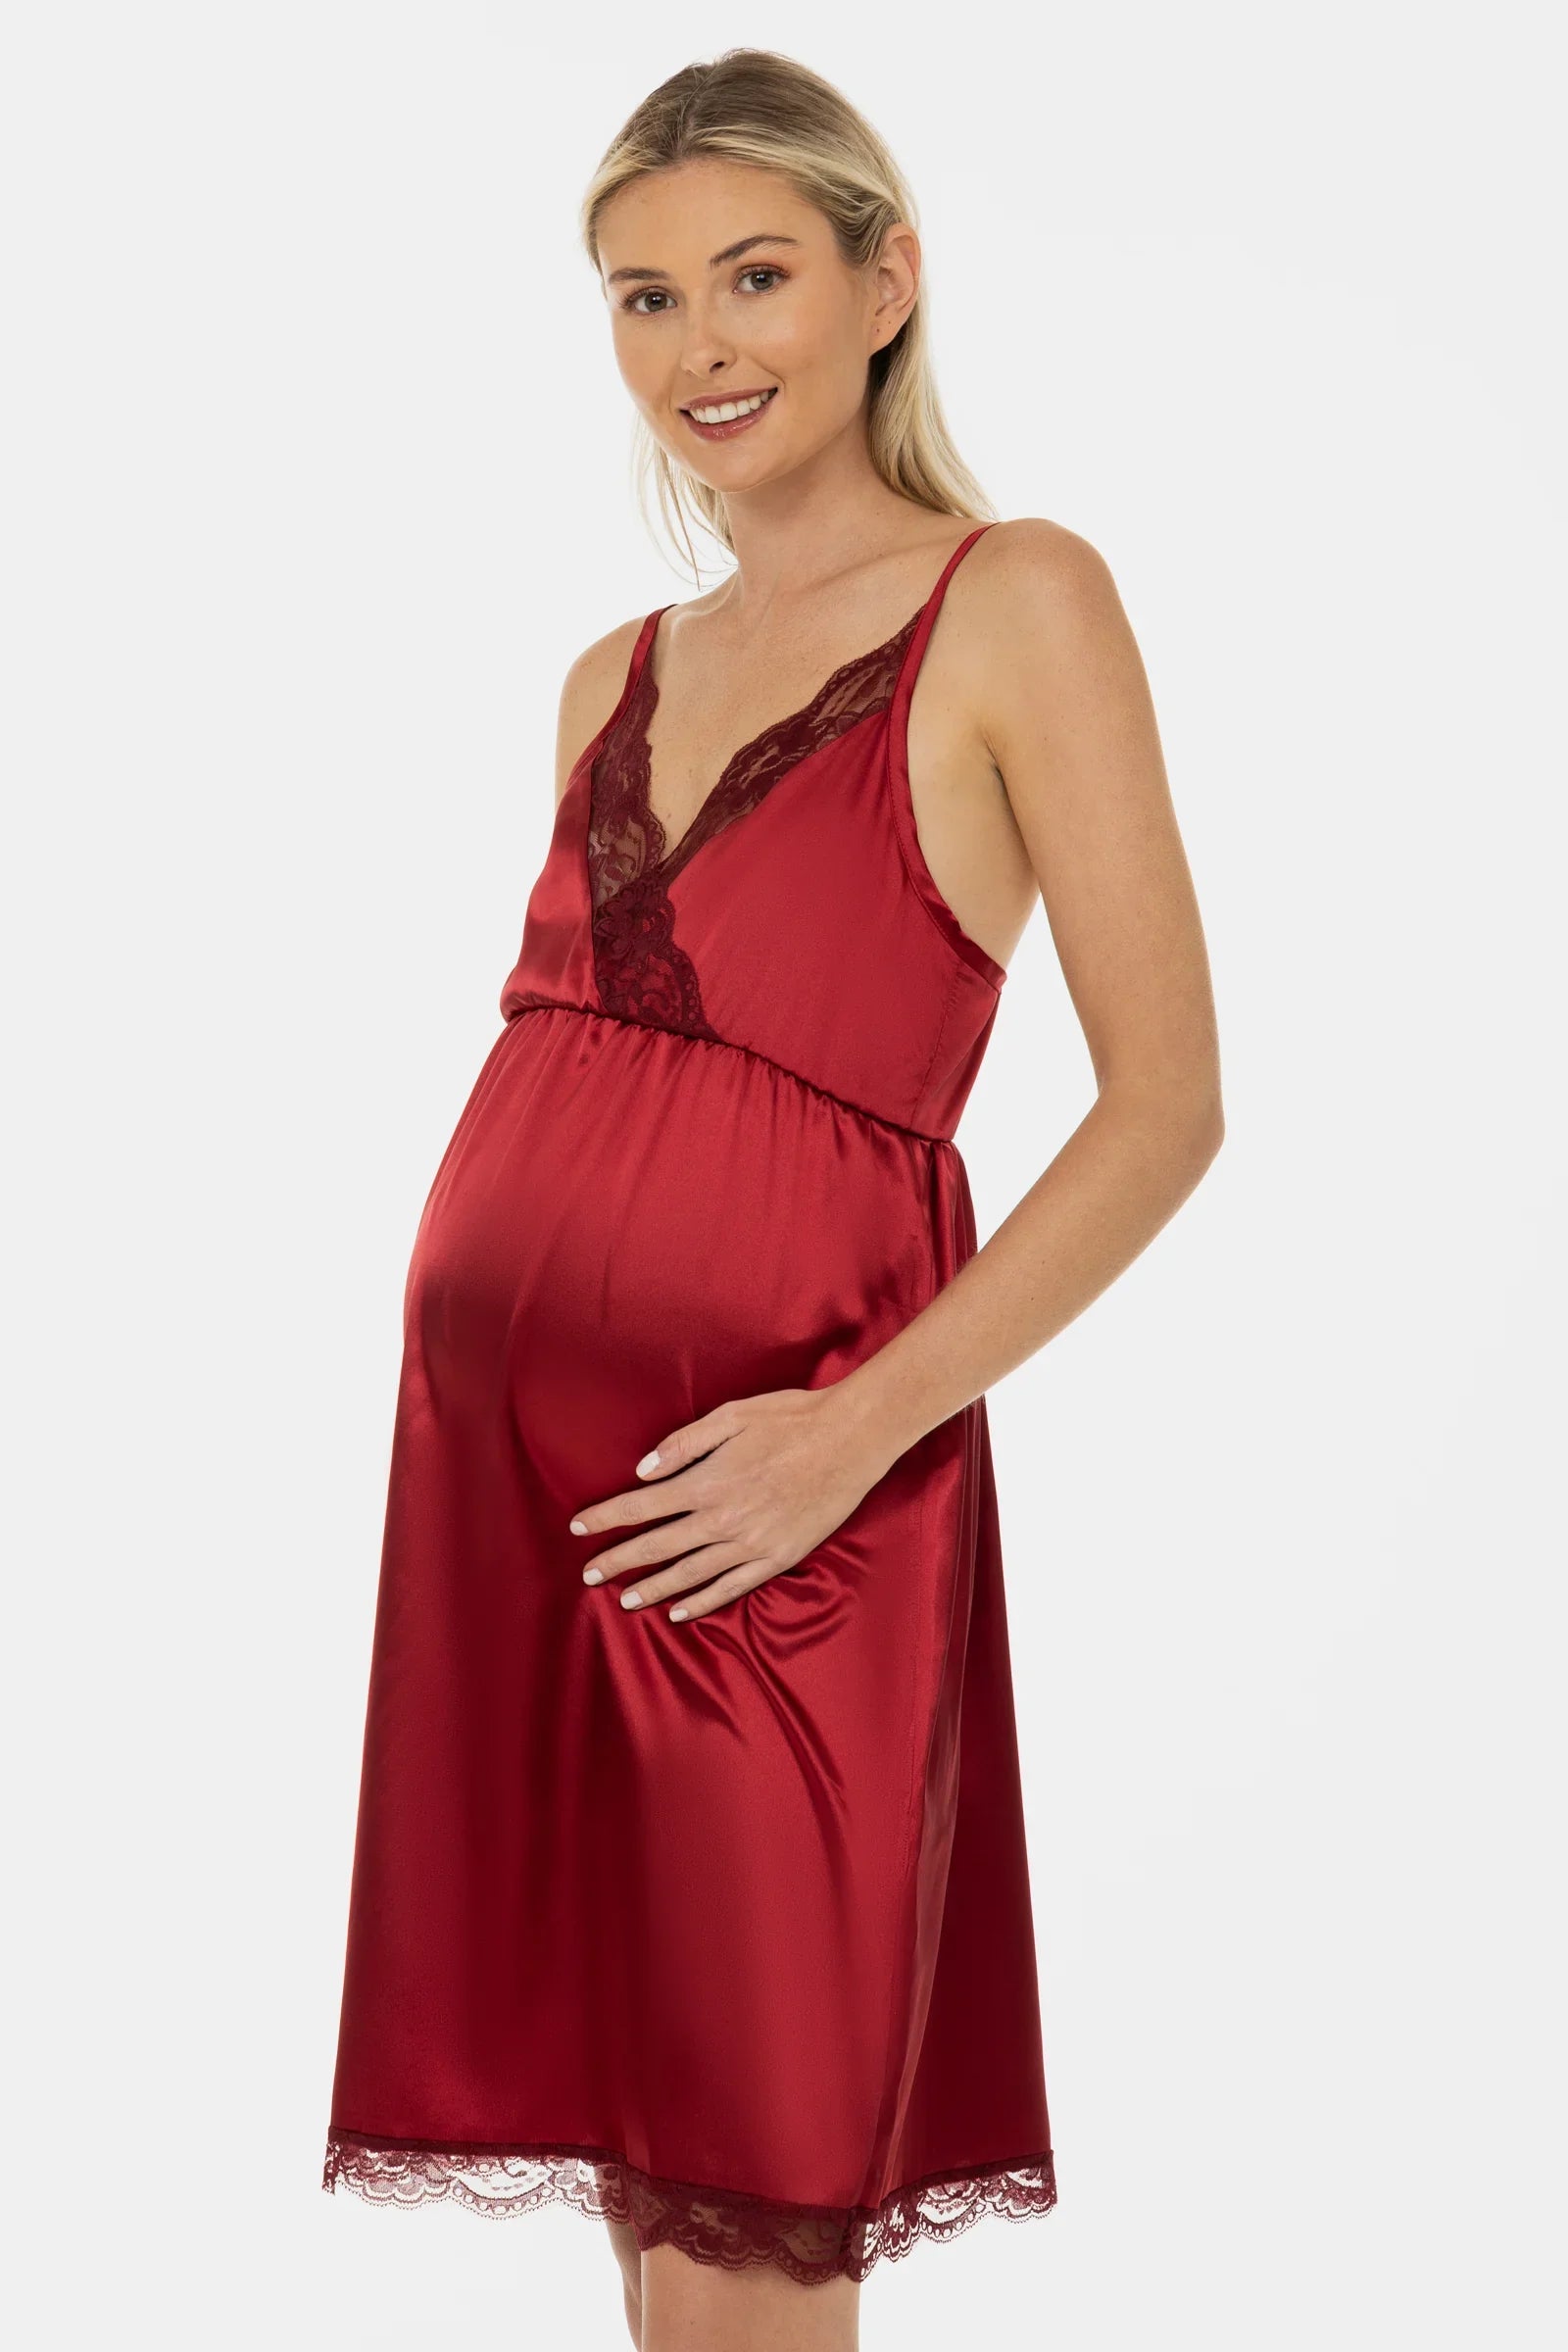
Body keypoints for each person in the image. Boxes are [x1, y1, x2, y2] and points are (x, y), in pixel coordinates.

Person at [321, 45, 1223, 2352]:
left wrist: (849, 1435)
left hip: (783, 1511)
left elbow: (1163, 1111)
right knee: (658, 2235)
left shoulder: (1015, 602)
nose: (697, 348)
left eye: (752, 278)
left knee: (752, 2225)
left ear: (882, 283)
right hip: (525, 1514)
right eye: (643, 299)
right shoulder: (608, 678)